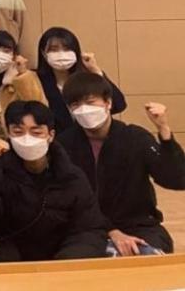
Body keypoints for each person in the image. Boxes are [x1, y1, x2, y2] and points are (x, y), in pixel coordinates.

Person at [0, 101, 107, 261]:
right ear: (8, 133)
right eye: (18, 132)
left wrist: (65, 263)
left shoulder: (71, 177)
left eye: (36, 132)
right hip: (9, 258)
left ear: (50, 135)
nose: (27, 138)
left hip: (60, 258)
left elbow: (89, 229)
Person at [58, 72, 185, 256]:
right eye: (75, 105)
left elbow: (177, 179)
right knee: (73, 260)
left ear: (108, 103)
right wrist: (112, 232)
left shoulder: (135, 137)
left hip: (137, 225)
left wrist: (164, 131)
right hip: (85, 229)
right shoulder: (64, 145)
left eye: (90, 102)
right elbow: (69, 199)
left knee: (149, 255)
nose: (84, 109)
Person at [36, 26, 126, 133]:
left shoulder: (86, 77)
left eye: (66, 49)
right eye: (54, 49)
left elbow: (118, 105)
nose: (61, 54)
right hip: (56, 139)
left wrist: (96, 71)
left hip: (91, 137)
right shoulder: (36, 80)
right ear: (43, 53)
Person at [0, 31, 46, 140]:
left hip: (21, 140)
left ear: (14, 55)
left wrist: (23, 75)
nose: (0, 55)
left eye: (6, 51)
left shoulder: (26, 77)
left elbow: (40, 109)